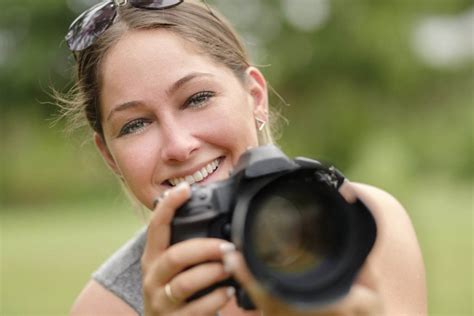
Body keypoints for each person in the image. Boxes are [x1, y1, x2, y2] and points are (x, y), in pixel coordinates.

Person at [59, 0, 427, 315]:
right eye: (136, 124)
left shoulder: (362, 228)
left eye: (197, 98)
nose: (178, 145)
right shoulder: (104, 307)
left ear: (255, 97)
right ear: (109, 156)